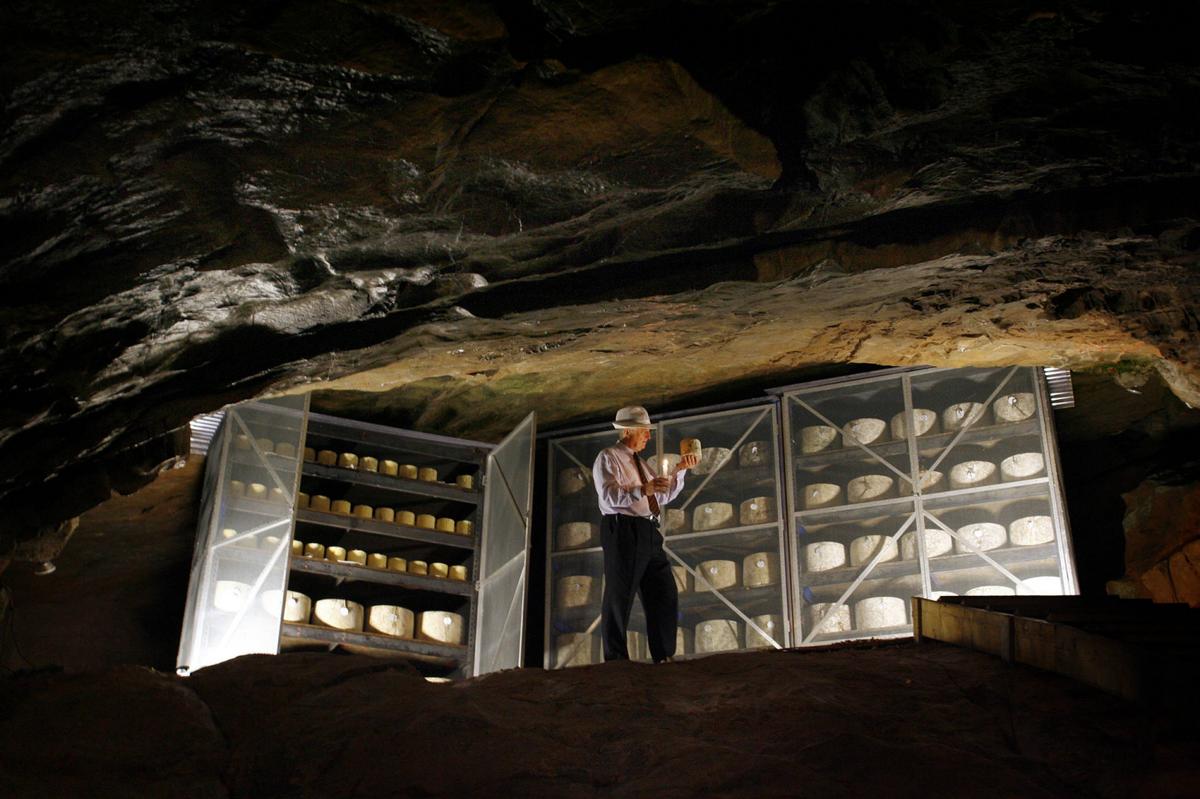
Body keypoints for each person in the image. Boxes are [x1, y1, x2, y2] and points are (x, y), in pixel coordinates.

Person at [592, 405, 699, 663]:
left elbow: (662, 495)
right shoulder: (608, 457)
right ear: (627, 430)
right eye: (644, 431)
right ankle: (616, 659)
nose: (648, 437)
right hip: (623, 529)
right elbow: (608, 496)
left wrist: (679, 470)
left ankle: (663, 656)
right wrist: (644, 489)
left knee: (664, 592)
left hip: (648, 530)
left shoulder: (640, 463)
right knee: (620, 594)